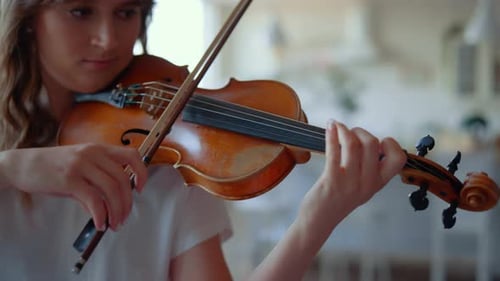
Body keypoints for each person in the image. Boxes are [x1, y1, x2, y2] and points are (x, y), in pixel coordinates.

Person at [0, 0, 407, 280]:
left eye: (127, 11)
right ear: (29, 15)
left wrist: (317, 218)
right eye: (80, 10)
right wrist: (10, 167)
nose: (107, 38)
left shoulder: (168, 165)